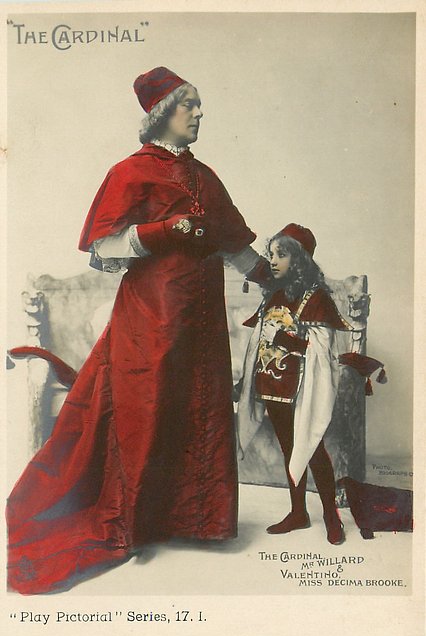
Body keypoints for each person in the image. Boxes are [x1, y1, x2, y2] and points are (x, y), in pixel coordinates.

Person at [7, 66, 269, 594]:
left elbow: (236, 247)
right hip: (151, 315)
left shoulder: (206, 176)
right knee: (148, 408)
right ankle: (136, 522)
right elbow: (103, 247)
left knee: (198, 407)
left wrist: (284, 281)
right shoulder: (129, 172)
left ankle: (193, 522)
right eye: (189, 104)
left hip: (202, 320)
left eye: (199, 104)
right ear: (162, 113)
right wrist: (165, 229)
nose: (199, 113)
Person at [236, 224, 353, 545]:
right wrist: (245, 381)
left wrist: (283, 338)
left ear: (299, 259)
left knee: (312, 449)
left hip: (300, 389)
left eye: (281, 255)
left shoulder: (316, 298)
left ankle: (331, 516)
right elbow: (258, 345)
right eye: (271, 254)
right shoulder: (273, 294)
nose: (273, 261)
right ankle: (298, 512)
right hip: (271, 386)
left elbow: (321, 351)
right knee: (289, 449)